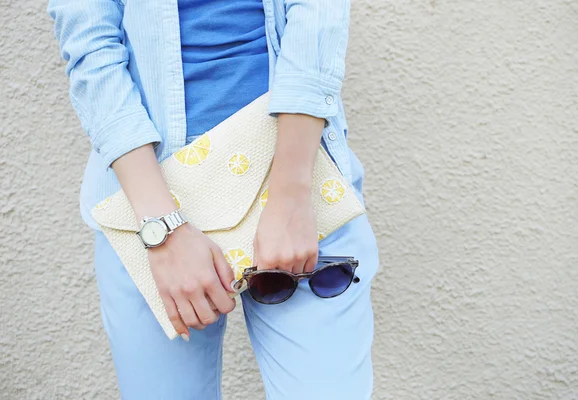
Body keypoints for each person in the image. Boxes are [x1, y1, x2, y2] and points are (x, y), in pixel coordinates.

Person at [47, 0, 379, 398]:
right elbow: (91, 44)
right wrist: (162, 229)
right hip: (146, 203)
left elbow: (317, 16)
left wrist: (290, 198)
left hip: (302, 185)